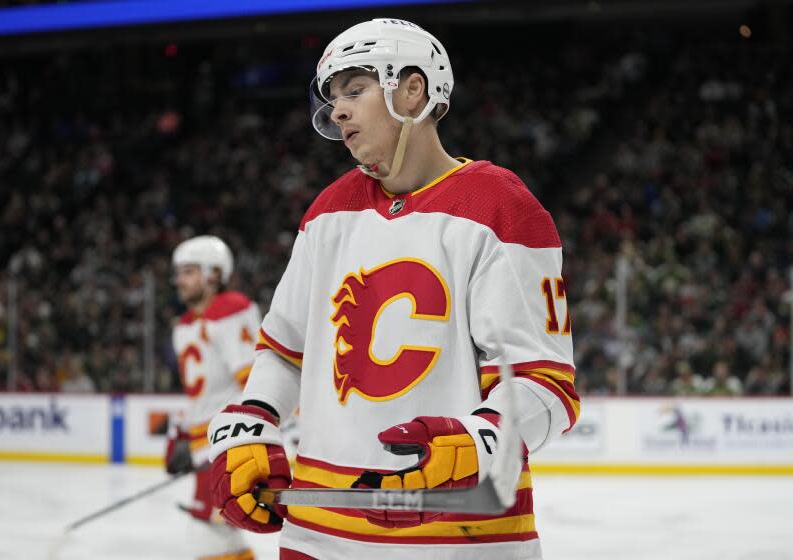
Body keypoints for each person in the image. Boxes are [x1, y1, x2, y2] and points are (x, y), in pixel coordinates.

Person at [206, 19, 580, 560]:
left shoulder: (501, 209)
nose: (337, 109)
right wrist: (255, 421)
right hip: (317, 534)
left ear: (412, 89)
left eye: (354, 90)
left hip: (459, 536)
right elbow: (285, 351)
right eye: (332, 97)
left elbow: (547, 384)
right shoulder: (328, 211)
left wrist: (480, 441)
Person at [168, 235, 262, 560]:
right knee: (220, 536)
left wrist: (246, 440)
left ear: (214, 275)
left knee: (205, 535)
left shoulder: (230, 311)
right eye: (179, 272)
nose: (179, 280)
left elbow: (255, 380)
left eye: (189, 271)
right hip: (204, 443)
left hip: (228, 444)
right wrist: (181, 433)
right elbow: (201, 394)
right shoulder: (183, 326)